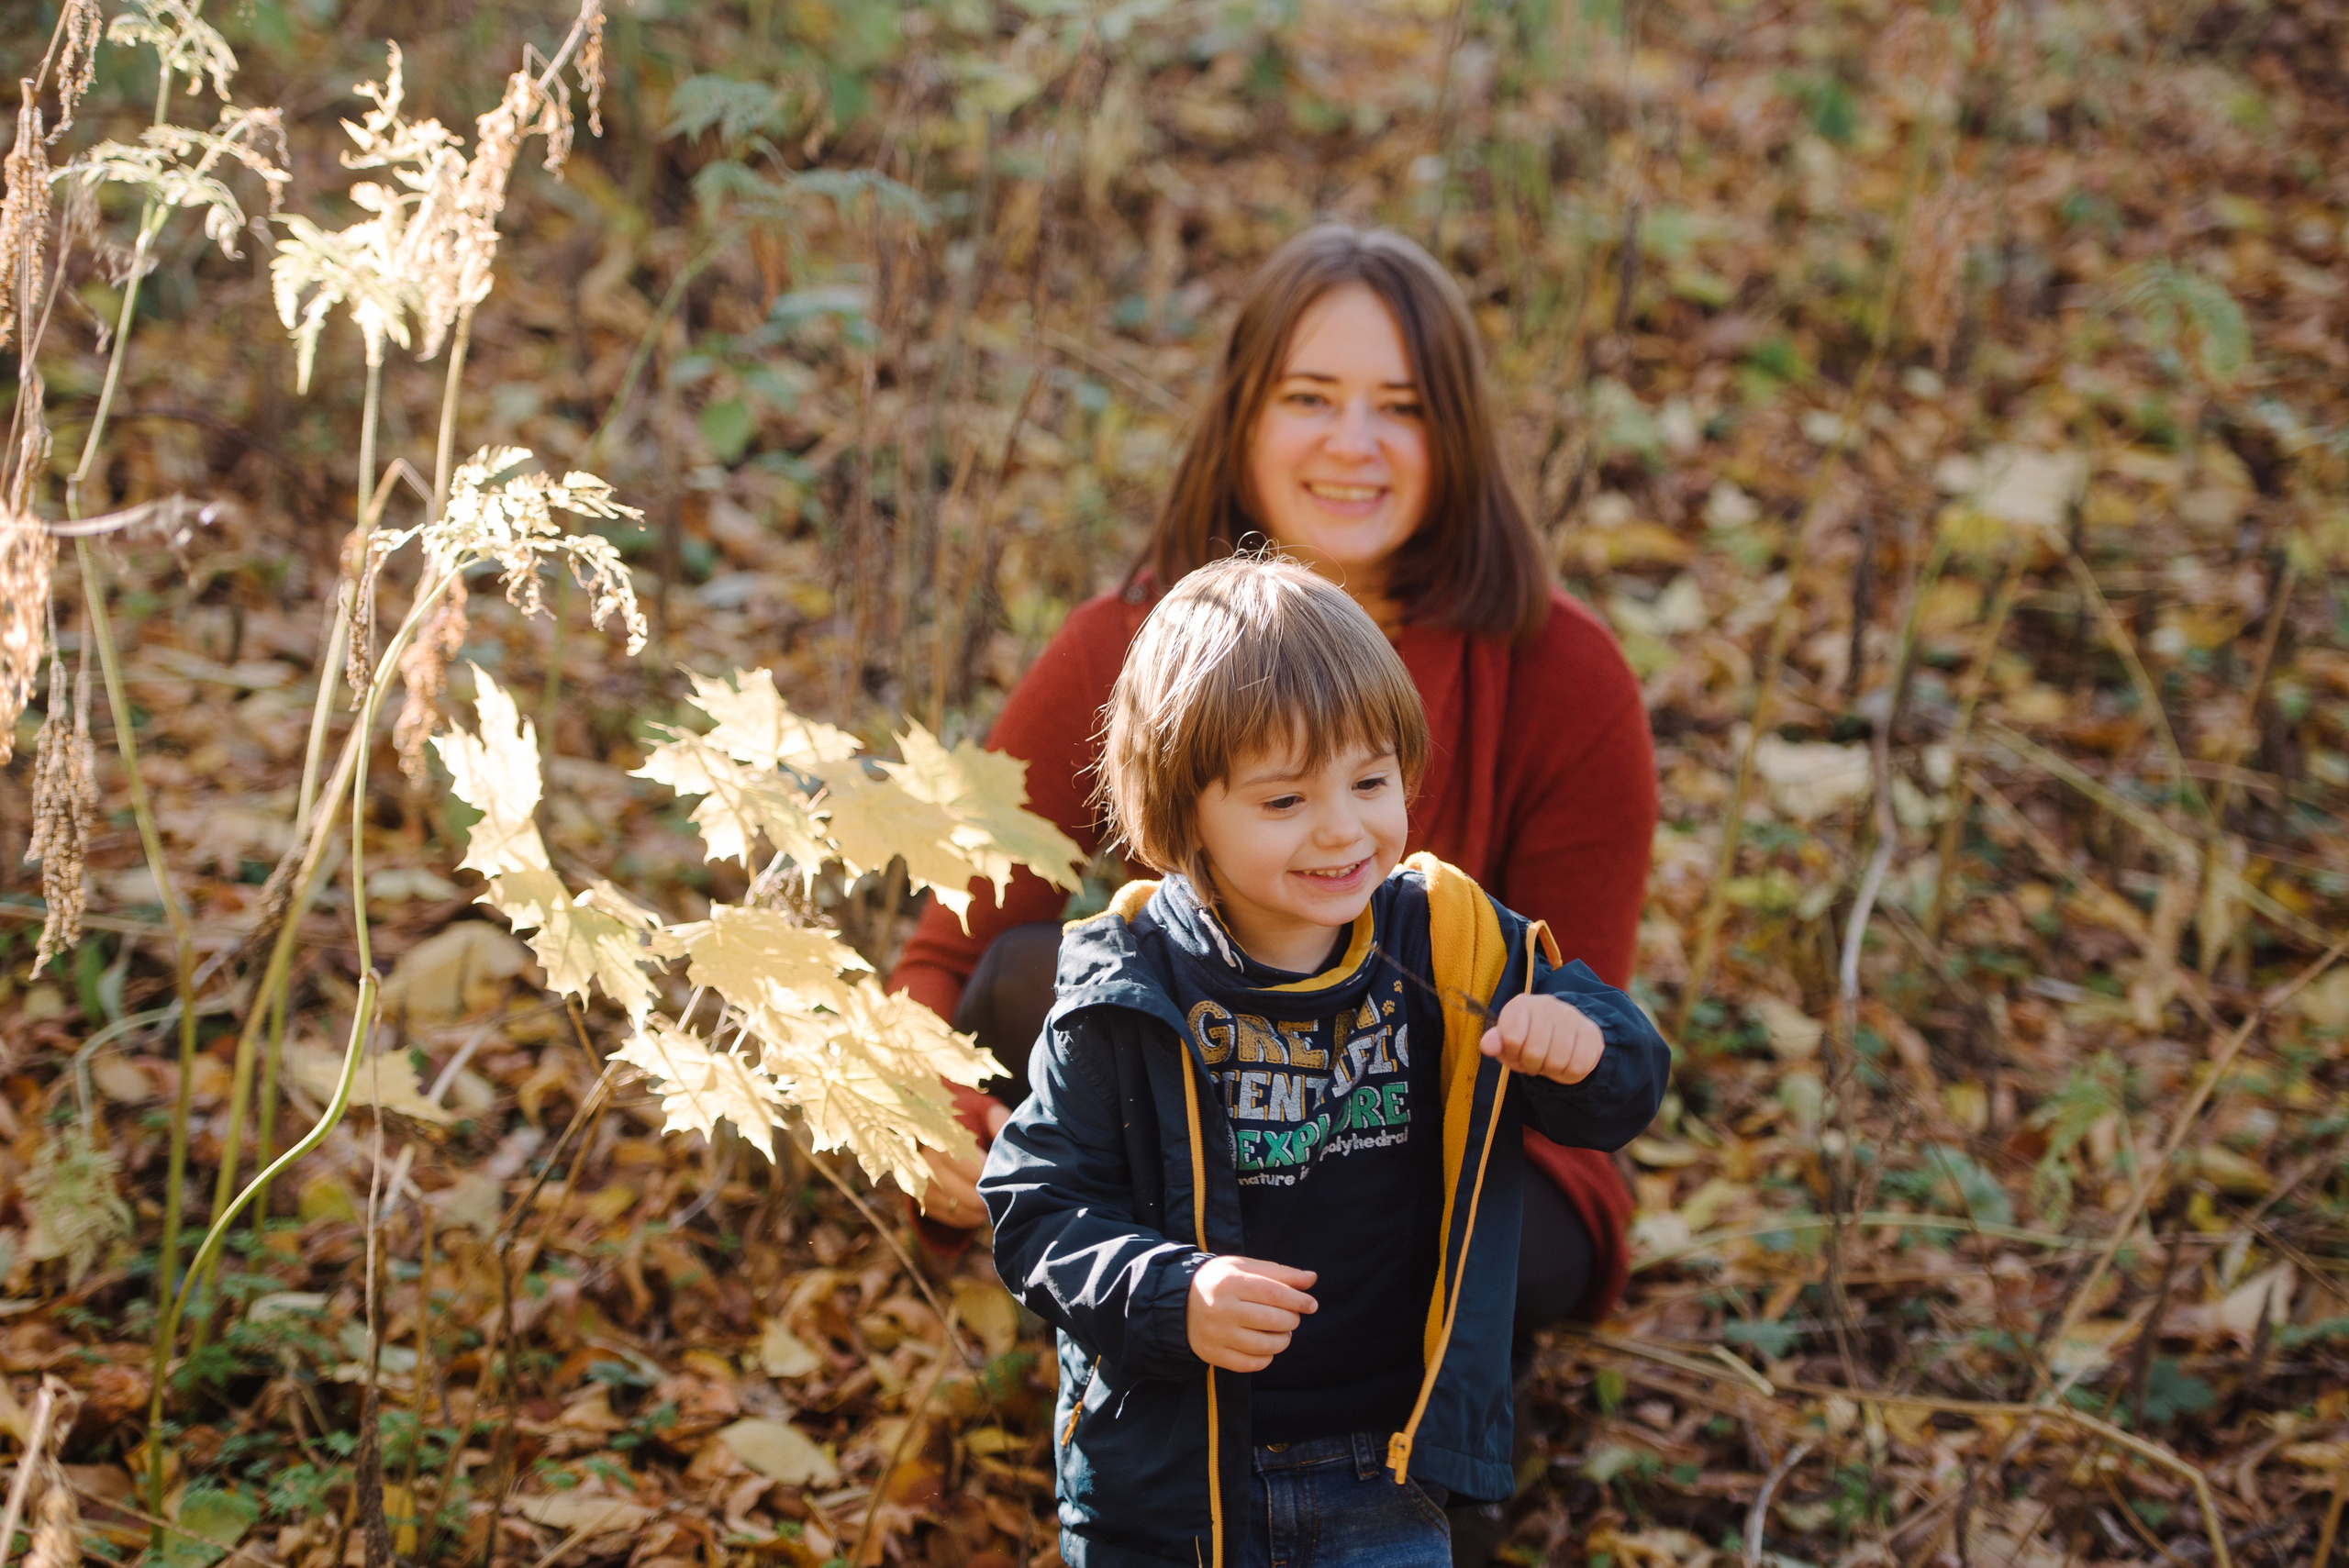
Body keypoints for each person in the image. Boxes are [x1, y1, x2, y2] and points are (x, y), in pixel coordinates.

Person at [886, 222, 1659, 1554]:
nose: (1351, 442)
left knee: (1456, 1279)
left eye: (1400, 408)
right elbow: (946, 955)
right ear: (1244, 417)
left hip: (1454, 1159)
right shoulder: (1135, 647)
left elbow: (1581, 1030)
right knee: (1037, 971)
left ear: (1455, 436)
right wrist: (946, 1129)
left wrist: (1566, 1039)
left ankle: (1428, 1432)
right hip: (1195, 1142)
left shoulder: (1561, 672)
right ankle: (1149, 1363)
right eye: (1310, 397)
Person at [977, 558, 1669, 1568]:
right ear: (1184, 812)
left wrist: (1584, 1043)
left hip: (1384, 1462)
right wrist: (1173, 1292)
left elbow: (1621, 1085)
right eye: (1285, 799)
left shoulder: (1446, 941)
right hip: (1175, 1476)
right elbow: (1034, 1207)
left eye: (1370, 780)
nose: (1343, 827)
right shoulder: (1127, 990)